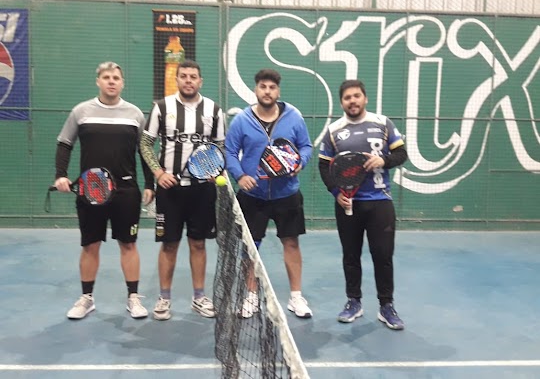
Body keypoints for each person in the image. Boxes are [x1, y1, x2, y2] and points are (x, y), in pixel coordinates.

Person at [54, 61, 154, 320]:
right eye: (107, 77)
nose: (111, 81)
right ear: (98, 81)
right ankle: (86, 298)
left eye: (116, 78)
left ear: (122, 83)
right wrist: (61, 175)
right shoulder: (81, 112)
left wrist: (149, 185)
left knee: (128, 244)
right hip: (90, 189)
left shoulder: (135, 114)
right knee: (90, 245)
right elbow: (64, 143)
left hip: (126, 191)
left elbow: (145, 152)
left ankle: (133, 298)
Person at [140, 59, 226, 321]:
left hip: (202, 191)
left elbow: (220, 147)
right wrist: (158, 173)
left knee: (198, 244)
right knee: (169, 244)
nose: (188, 80)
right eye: (184, 76)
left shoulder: (214, 110)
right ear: (176, 79)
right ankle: (164, 298)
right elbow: (145, 144)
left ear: (200, 81)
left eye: (193, 76)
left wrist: (214, 169)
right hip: (170, 192)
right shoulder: (162, 107)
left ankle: (199, 297)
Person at [318, 79, 407, 330]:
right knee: (350, 255)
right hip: (348, 205)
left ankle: (386, 306)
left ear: (365, 98)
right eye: (347, 98)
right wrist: (336, 191)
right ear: (342, 102)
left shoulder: (383, 123)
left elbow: (401, 154)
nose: (352, 101)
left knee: (383, 256)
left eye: (356, 96)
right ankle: (353, 302)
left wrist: (383, 161)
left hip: (380, 202)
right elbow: (324, 165)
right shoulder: (334, 130)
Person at [225, 68, 313, 319]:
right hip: (253, 196)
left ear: (278, 91)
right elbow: (229, 152)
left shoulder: (294, 117)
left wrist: (300, 162)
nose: (267, 91)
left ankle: (296, 297)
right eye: (263, 86)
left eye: (272, 87)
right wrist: (240, 176)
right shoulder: (242, 120)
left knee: (291, 243)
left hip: (287, 194)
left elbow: (306, 146)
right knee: (250, 248)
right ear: (256, 89)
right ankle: (251, 296)